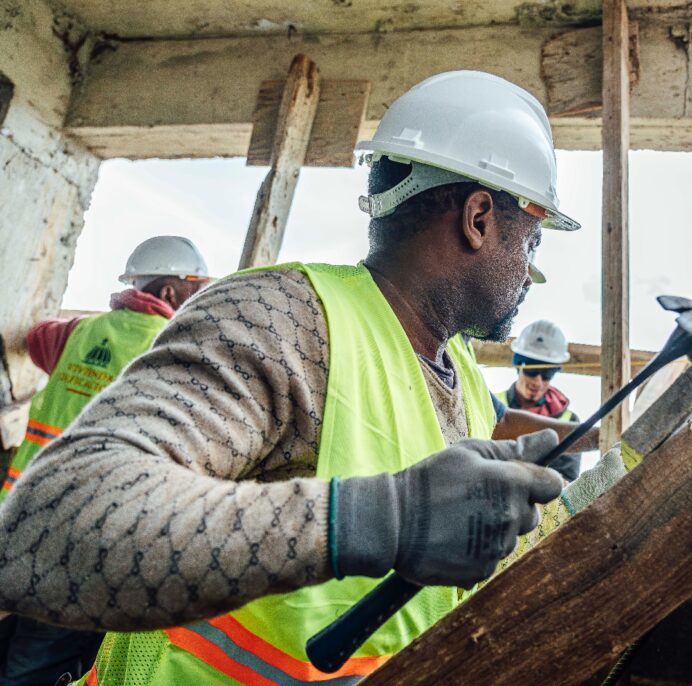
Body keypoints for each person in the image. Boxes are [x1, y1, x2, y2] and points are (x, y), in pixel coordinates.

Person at [0, 71, 593, 685]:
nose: (529, 274)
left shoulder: (462, 372)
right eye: (532, 245)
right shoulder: (284, 320)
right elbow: (51, 530)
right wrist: (387, 517)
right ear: (478, 218)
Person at [0, 235, 210, 685]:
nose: (200, 296)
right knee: (41, 663)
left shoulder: (78, 333)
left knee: (13, 635)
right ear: (171, 292)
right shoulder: (175, 352)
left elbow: (36, 337)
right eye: (195, 285)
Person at [493, 320, 584, 481]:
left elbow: (566, 479)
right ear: (518, 366)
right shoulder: (492, 406)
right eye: (532, 370)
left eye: (547, 373)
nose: (537, 381)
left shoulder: (569, 421)